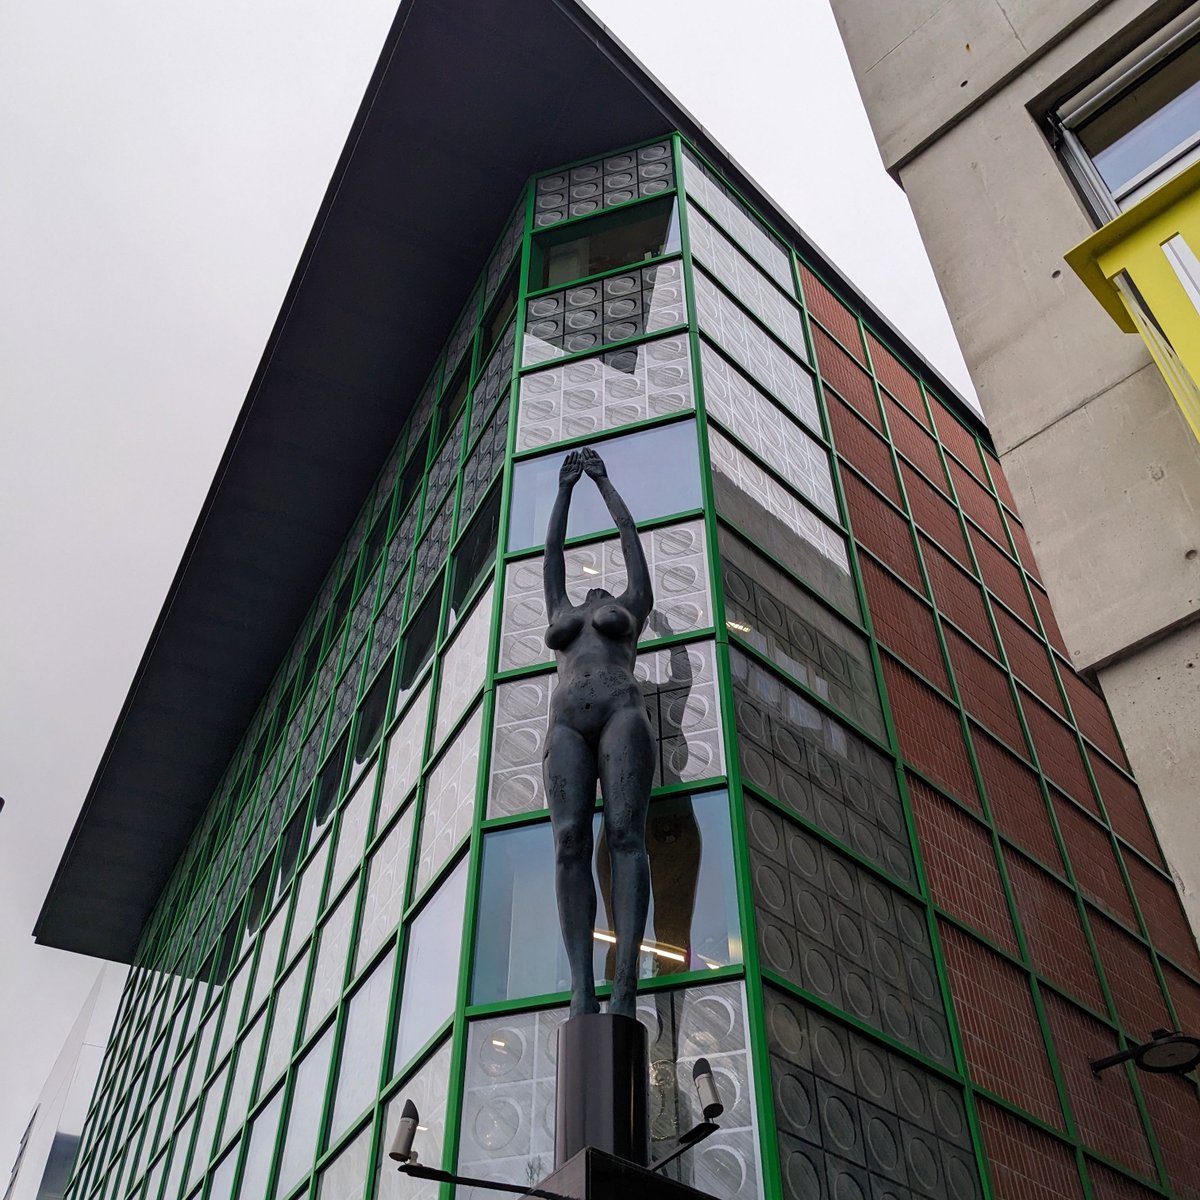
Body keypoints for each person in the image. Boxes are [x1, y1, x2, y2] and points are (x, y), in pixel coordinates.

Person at [543, 446, 654, 1018]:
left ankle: (627, 978)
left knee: (624, 834)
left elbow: (631, 536)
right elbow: (554, 552)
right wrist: (564, 491)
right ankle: (582, 986)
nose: (593, 593)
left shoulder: (631, 604)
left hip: (619, 712)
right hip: (566, 720)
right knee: (569, 842)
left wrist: (604, 484)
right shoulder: (561, 607)